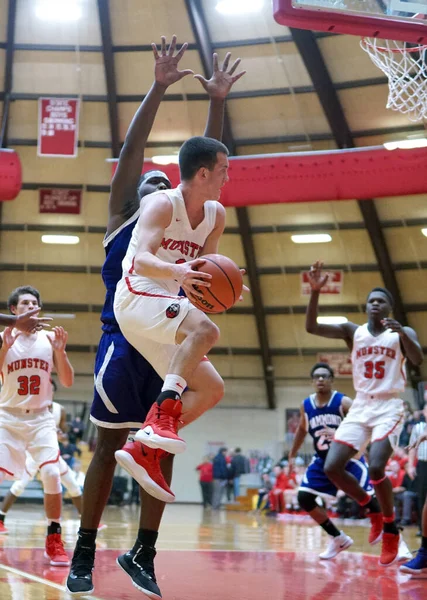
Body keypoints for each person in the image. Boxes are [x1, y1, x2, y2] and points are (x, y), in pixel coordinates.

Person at [66, 35, 245, 597]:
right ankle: (85, 549)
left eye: (164, 181)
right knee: (106, 444)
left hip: (167, 327)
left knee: (158, 443)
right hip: (125, 331)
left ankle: (144, 550)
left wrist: (216, 102)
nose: (157, 185)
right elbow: (136, 152)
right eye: (150, 182)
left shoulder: (186, 210)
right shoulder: (132, 208)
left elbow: (204, 163)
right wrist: (160, 85)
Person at [114, 131, 249, 480]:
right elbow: (141, 260)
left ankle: (143, 449)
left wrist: (226, 284)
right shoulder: (161, 203)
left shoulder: (215, 214)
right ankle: (163, 412)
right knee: (206, 330)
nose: (227, 177)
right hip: (136, 294)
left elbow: (206, 265)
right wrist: (177, 270)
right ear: (203, 173)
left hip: (165, 306)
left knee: (211, 389)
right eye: (223, 169)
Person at [306, 260, 423, 566]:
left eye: (380, 301)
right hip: (361, 404)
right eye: (371, 300)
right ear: (367, 306)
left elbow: (418, 359)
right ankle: (370, 506)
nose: (374, 304)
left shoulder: (400, 332)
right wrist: (315, 292)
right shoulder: (352, 331)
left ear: (389, 307)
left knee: (375, 467)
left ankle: (390, 527)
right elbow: (311, 327)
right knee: (333, 466)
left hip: (389, 404)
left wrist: (405, 334)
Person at [0, 286, 74, 565]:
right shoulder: (3, 337)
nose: (30, 306)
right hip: (8, 417)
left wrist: (62, 353)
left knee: (53, 473)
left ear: (39, 309)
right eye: (24, 303)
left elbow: (66, 381)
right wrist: (5, 348)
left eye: (34, 302)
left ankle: (54, 537)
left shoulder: (50, 338)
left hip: (41, 418)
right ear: (14, 310)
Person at [288, 362, 369, 558]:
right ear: (312, 381)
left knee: (371, 501)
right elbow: (301, 429)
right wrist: (292, 454)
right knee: (304, 498)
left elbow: (365, 424)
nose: (321, 379)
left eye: (325, 376)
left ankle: (397, 540)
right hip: (323, 460)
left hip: (347, 459)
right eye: (317, 377)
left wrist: (358, 447)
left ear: (332, 380)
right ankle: (338, 538)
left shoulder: (343, 402)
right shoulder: (306, 405)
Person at [0, 399, 84, 534]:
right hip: (33, 452)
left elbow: (63, 431)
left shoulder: (59, 409)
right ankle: (0, 518)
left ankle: (87, 523)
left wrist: (62, 435)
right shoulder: (29, 404)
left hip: (49, 451)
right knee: (18, 486)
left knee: (72, 484)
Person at [400, 424, 427, 574]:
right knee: (424, 500)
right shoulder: (419, 427)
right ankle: (425, 553)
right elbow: (412, 448)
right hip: (423, 463)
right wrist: (410, 465)